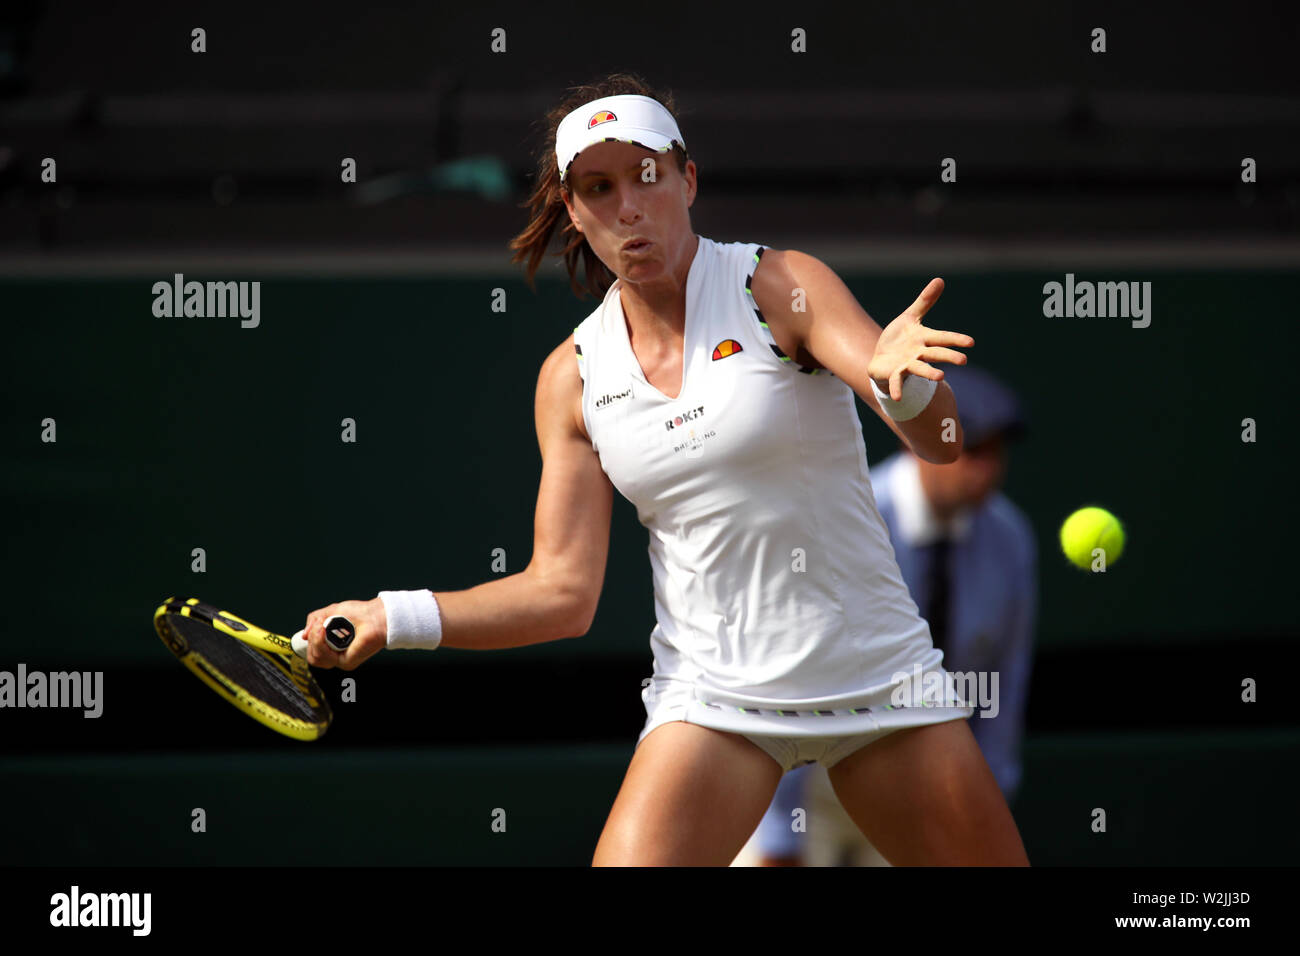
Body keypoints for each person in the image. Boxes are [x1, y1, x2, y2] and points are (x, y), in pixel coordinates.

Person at [295, 72, 1029, 867]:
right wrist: (392, 615)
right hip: (713, 703)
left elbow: (943, 443)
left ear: (686, 179)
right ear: (574, 211)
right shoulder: (571, 378)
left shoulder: (779, 286)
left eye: (645, 176)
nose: (627, 207)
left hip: (880, 682)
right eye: (597, 188)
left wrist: (908, 383)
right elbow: (561, 595)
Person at [743, 365, 1036, 866]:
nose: (984, 472)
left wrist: (982, 807)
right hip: (811, 782)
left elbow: (1000, 688)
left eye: (995, 454)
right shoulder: (845, 518)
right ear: (916, 441)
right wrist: (777, 831)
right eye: (970, 451)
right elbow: (786, 677)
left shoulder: (1008, 540)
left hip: (924, 793)